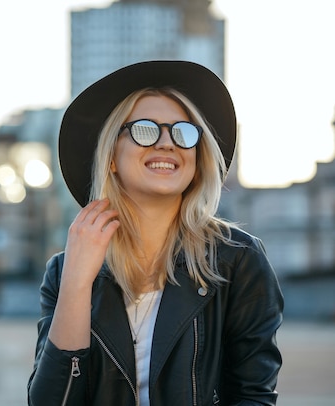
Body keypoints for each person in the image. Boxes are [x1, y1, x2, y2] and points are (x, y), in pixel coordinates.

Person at [27, 60, 283, 405]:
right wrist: (77, 282)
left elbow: (253, 396)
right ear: (112, 157)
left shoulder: (238, 259)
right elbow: (52, 401)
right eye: (145, 129)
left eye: (183, 131)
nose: (167, 143)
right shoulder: (63, 271)